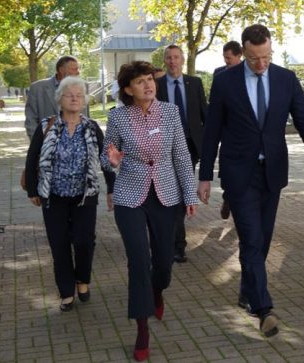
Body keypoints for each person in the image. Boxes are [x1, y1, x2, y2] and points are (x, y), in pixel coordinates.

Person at [198, 24, 304, 338]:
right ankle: (264, 308)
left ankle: (247, 291)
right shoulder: (225, 81)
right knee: (252, 239)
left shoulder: (285, 78)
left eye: (266, 57)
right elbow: (212, 128)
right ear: (244, 52)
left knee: (263, 239)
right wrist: (204, 176)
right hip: (239, 174)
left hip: (272, 172)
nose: (261, 64)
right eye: (255, 58)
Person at [104, 60, 199, 361]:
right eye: (141, 81)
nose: (148, 85)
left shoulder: (170, 113)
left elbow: (181, 156)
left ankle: (157, 292)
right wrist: (114, 161)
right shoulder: (117, 117)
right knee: (138, 260)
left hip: (166, 194)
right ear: (128, 89)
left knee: (163, 265)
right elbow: (107, 157)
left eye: (150, 79)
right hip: (129, 196)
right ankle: (142, 328)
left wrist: (190, 193)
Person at [23, 76, 115, 312]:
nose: (74, 98)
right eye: (69, 95)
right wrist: (33, 190)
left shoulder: (92, 127)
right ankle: (66, 291)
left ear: (84, 100)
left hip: (85, 195)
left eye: (79, 95)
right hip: (53, 197)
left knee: (84, 241)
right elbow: (32, 158)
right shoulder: (47, 126)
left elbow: (105, 160)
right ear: (59, 100)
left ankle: (82, 280)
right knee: (59, 244)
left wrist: (111, 189)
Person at [155, 44, 208, 263]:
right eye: (169, 58)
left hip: (190, 146)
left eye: (176, 57)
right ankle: (176, 244)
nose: (173, 61)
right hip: (164, 148)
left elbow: (205, 114)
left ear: (183, 60)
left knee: (180, 191)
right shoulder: (156, 85)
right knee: (174, 193)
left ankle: (176, 244)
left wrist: (209, 147)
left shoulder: (194, 83)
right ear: (164, 61)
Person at [213, 40, 243, 219]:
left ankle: (232, 198)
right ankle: (227, 196)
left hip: (244, 131)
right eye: (224, 58)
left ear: (239, 56)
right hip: (226, 130)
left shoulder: (247, 74)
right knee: (226, 169)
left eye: (229, 58)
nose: (226, 61)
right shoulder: (219, 74)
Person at [25, 56, 80, 139]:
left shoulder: (81, 88)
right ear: (61, 70)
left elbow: (85, 117)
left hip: (76, 146)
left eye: (77, 69)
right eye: (74, 69)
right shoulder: (37, 88)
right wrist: (38, 144)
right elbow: (31, 120)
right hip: (46, 144)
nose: (78, 72)